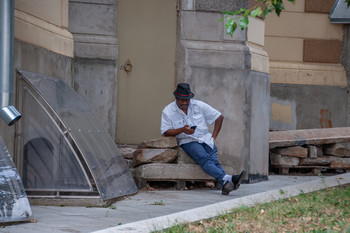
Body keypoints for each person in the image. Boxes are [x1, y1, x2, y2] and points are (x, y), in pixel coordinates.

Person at [161, 83, 246, 195]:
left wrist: (213, 137)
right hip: (188, 141)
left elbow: (219, 117)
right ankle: (231, 179)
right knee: (205, 159)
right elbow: (166, 132)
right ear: (176, 97)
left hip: (206, 139)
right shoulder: (168, 111)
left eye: (187, 100)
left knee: (214, 161)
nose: (185, 102)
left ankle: (225, 183)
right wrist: (182, 130)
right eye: (182, 100)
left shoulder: (198, 105)